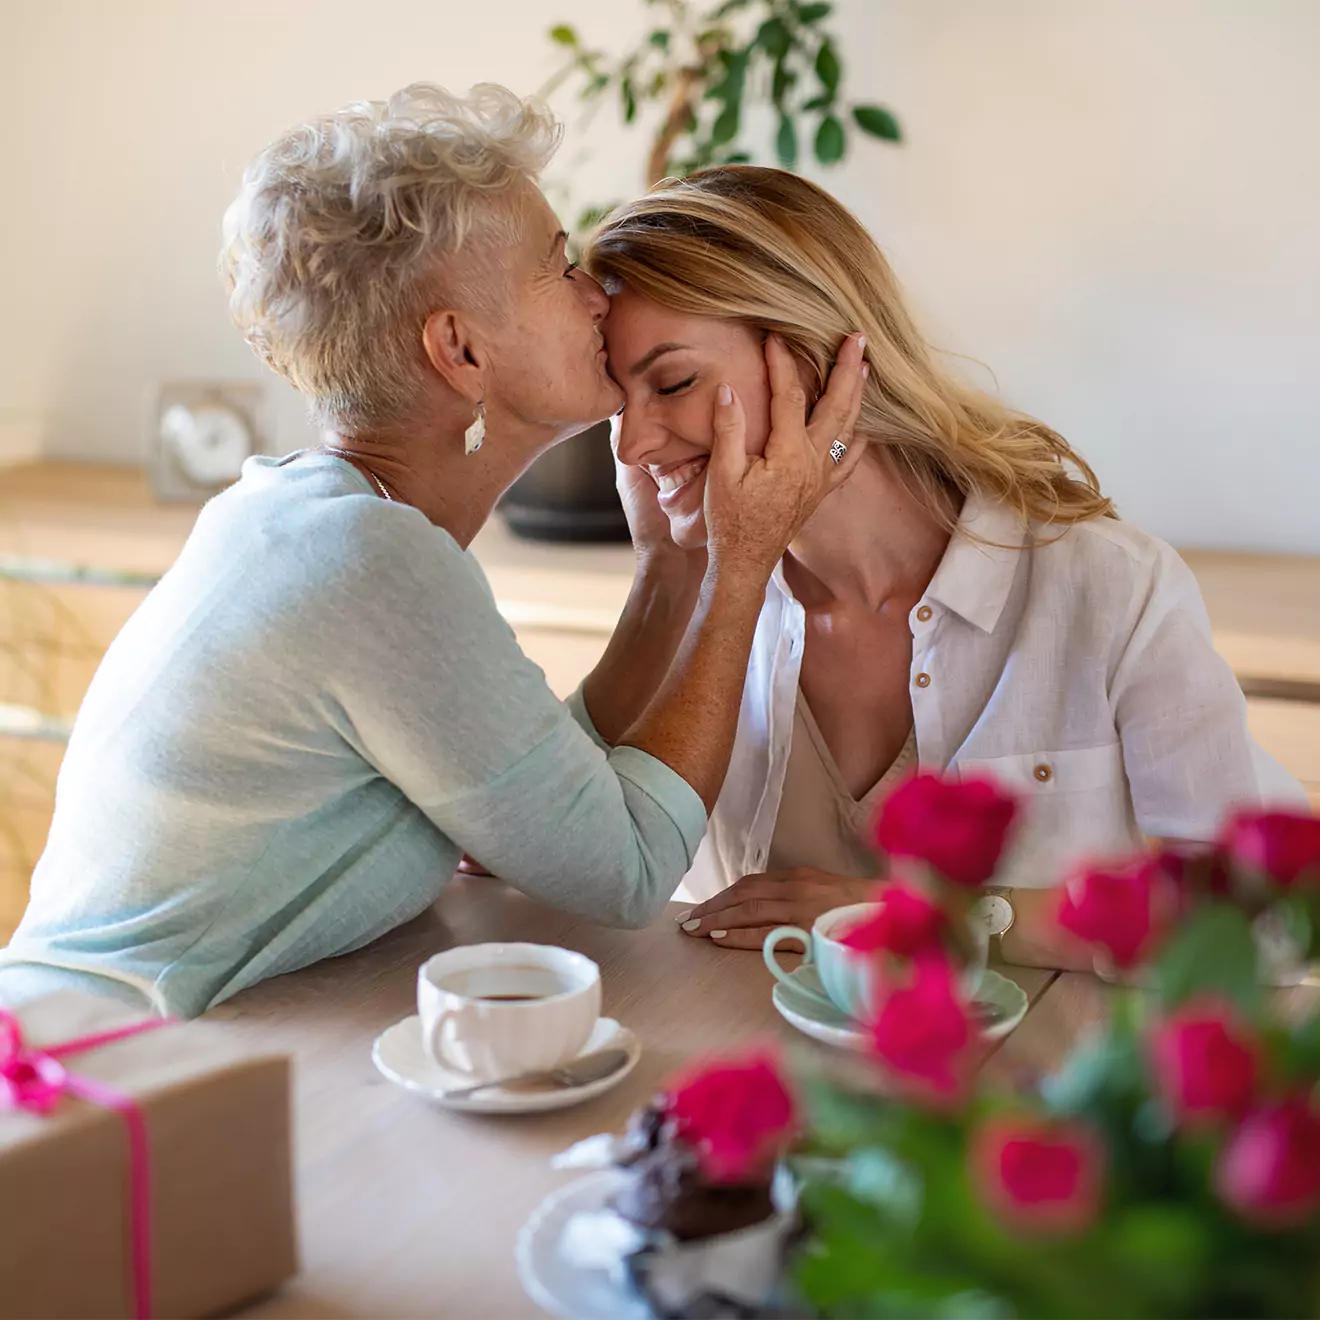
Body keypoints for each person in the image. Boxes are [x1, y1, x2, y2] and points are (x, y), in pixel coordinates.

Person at [0, 89, 865, 1018]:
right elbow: (629, 869)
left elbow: (536, 817)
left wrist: (674, 564)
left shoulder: (307, 515)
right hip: (97, 1075)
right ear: (458, 348)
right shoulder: (371, 566)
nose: (595, 296)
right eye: (558, 266)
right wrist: (742, 565)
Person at [582, 164, 1306, 969]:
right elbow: (570, 853)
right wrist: (664, 571)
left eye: (673, 383)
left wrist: (927, 917)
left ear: (816, 360)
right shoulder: (705, 608)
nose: (630, 445)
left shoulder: (1109, 590)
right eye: (616, 404)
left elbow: (1244, 919)